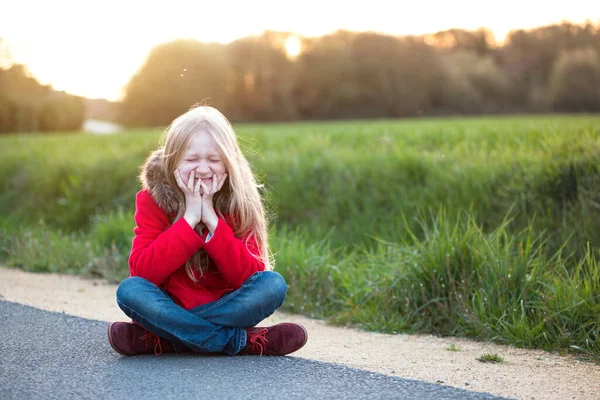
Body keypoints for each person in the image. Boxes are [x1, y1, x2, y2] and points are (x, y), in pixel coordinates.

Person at [107, 105, 308, 357]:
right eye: (191, 160)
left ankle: (167, 338)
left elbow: (250, 278)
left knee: (273, 285)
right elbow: (143, 272)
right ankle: (241, 342)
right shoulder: (152, 199)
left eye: (213, 160)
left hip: (227, 307)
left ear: (228, 163)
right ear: (172, 163)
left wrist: (212, 221)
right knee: (130, 291)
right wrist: (189, 218)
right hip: (169, 305)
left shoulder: (240, 200)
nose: (203, 169)